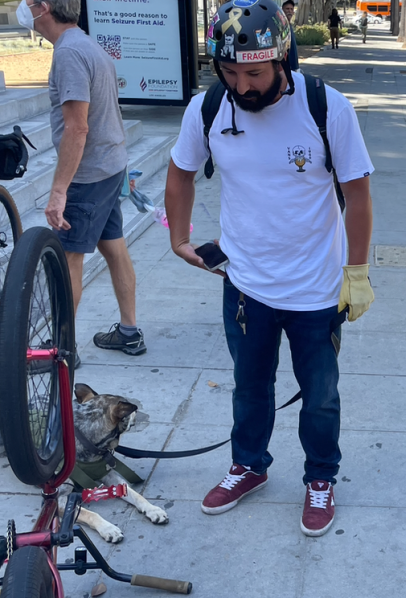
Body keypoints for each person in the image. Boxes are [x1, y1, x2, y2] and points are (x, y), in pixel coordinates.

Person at [165, 0, 374, 537]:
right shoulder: (209, 109)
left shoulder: (327, 108)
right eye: (230, 72)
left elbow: (358, 193)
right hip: (246, 287)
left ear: (284, 59)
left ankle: (321, 478)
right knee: (249, 387)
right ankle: (249, 466)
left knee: (321, 396)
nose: (243, 84)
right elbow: (181, 174)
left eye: (254, 72)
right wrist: (179, 238)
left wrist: (357, 271)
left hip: (317, 289)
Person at [18, 0, 145, 364]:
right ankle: (129, 333)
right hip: (109, 167)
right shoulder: (86, 45)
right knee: (114, 248)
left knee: (69, 259)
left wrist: (59, 192)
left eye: (28, 3)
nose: (25, 9)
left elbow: (77, 127)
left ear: (44, 8)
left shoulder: (70, 54)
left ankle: (63, 350)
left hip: (88, 177)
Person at [281, 0, 300, 71]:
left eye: (291, 9)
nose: (289, 11)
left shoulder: (289, 26)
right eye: (287, 9)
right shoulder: (280, 27)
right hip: (285, 68)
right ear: (282, 10)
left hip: (293, 67)